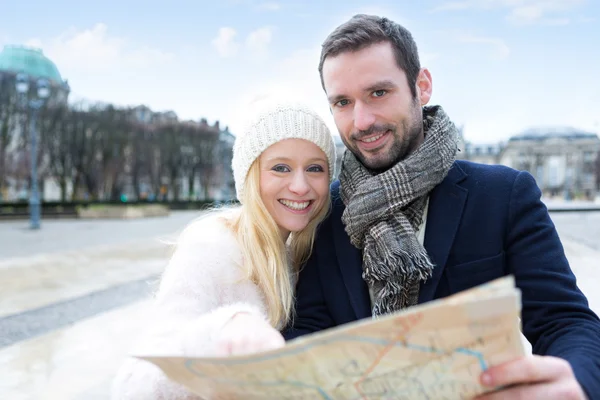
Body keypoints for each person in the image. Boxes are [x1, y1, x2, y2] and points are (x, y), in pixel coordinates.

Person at [283, 14, 600, 400]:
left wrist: (574, 381)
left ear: (422, 86)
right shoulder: (323, 212)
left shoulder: (503, 196)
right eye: (343, 102)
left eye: (378, 93)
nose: (361, 120)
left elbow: (564, 322)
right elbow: (308, 331)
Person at [111, 100, 336, 399]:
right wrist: (223, 331)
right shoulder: (213, 245)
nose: (300, 185)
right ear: (250, 177)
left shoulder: (300, 251)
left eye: (315, 168)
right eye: (280, 168)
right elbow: (133, 384)